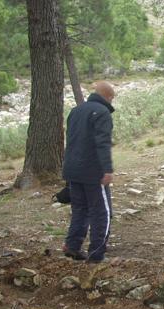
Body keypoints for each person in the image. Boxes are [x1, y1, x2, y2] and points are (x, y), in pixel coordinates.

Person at [62, 81, 115, 264]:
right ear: (108, 97)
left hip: (72, 170)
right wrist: (107, 169)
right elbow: (103, 143)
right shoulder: (102, 113)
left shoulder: (75, 111)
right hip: (93, 172)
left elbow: (72, 140)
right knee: (102, 213)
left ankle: (72, 246)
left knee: (80, 210)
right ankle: (96, 254)